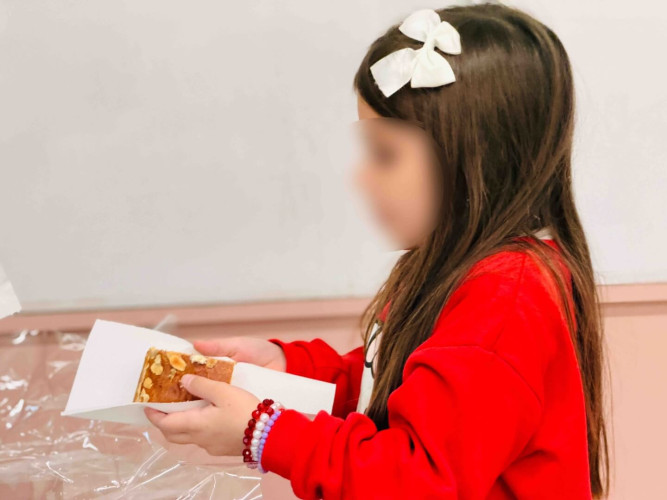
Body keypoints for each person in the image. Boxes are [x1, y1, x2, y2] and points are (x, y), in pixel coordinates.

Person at [145, 4, 610, 499]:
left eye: (385, 155)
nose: (361, 176)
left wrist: (265, 434)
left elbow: (419, 479)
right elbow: (399, 386)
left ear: (477, 161)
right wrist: (288, 368)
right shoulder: (468, 270)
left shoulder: (505, 300)